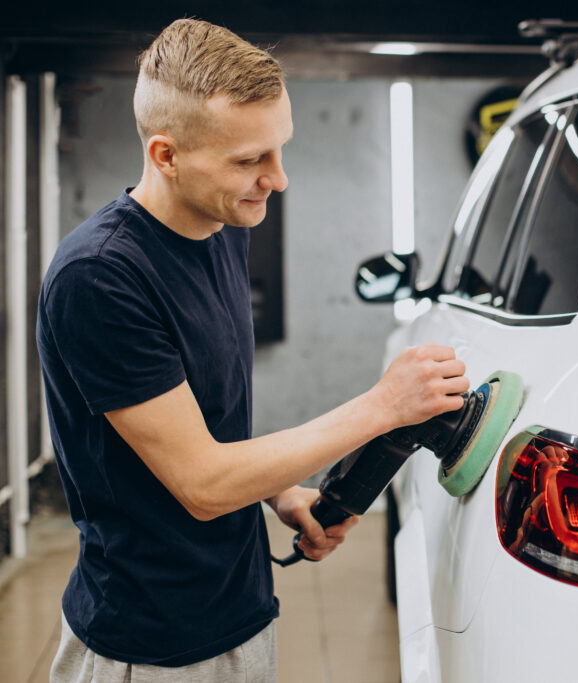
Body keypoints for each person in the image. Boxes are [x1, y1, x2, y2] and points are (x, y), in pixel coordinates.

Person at [38, 18, 468, 682]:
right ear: (165, 155)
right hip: (151, 643)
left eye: (278, 149)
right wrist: (384, 406)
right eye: (248, 160)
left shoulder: (223, 226)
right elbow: (204, 483)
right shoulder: (100, 277)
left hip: (240, 608)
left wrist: (277, 492)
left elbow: (202, 418)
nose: (278, 178)